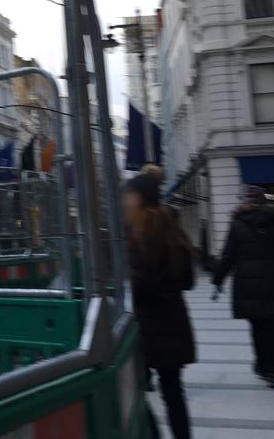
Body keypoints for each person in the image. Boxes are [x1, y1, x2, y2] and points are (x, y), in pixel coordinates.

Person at [123, 171, 195, 439]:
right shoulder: (171, 227)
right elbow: (188, 280)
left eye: (130, 195)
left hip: (149, 324)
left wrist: (122, 285)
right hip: (173, 321)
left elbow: (142, 280)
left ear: (141, 198)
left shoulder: (143, 230)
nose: (126, 201)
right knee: (173, 392)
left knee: (134, 390)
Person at [213, 185, 274, 388]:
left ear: (247, 200)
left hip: (248, 283)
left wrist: (217, 280)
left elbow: (228, 255)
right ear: (264, 200)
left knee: (256, 326)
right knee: (273, 329)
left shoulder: (237, 224)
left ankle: (262, 366)